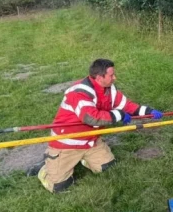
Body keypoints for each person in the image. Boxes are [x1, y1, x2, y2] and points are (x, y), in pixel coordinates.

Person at [35, 59, 163, 193]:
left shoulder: (109, 89)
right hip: (67, 143)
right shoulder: (79, 92)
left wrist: (148, 112)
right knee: (59, 187)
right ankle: (45, 169)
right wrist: (118, 115)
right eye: (111, 75)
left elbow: (127, 106)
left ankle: (85, 159)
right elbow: (91, 118)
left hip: (91, 140)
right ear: (99, 77)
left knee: (108, 166)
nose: (115, 77)